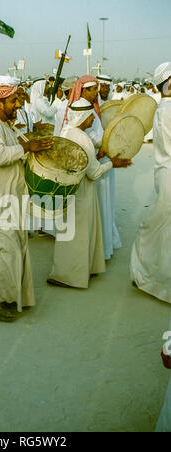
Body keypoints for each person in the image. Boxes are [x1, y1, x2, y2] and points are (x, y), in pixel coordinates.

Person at [0, 75, 54, 322]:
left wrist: (30, 141)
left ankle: (14, 297)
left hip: (10, 197)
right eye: (13, 101)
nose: (18, 105)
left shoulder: (3, 123)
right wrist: (27, 148)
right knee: (4, 250)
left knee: (16, 248)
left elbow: (12, 144)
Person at [48, 99, 131, 289]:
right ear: (84, 116)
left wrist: (96, 155)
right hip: (81, 190)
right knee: (80, 234)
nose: (92, 121)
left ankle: (65, 271)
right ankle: (72, 277)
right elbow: (93, 172)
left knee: (67, 232)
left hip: (66, 188)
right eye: (90, 117)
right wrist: (112, 163)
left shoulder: (66, 131)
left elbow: (81, 158)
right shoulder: (82, 138)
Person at [131, 62, 171, 304]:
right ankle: (148, 275)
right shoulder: (167, 110)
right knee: (160, 227)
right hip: (169, 174)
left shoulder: (164, 107)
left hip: (165, 173)